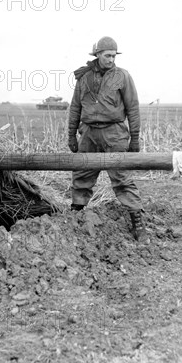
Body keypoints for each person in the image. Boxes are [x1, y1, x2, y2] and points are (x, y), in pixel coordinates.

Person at [67, 36, 147, 242]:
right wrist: (71, 134)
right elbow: (76, 106)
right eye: (107, 55)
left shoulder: (123, 76)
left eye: (113, 56)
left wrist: (135, 138)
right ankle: (75, 217)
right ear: (97, 55)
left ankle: (138, 224)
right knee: (82, 176)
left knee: (121, 178)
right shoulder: (83, 78)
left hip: (114, 133)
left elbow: (133, 108)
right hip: (88, 134)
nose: (111, 60)